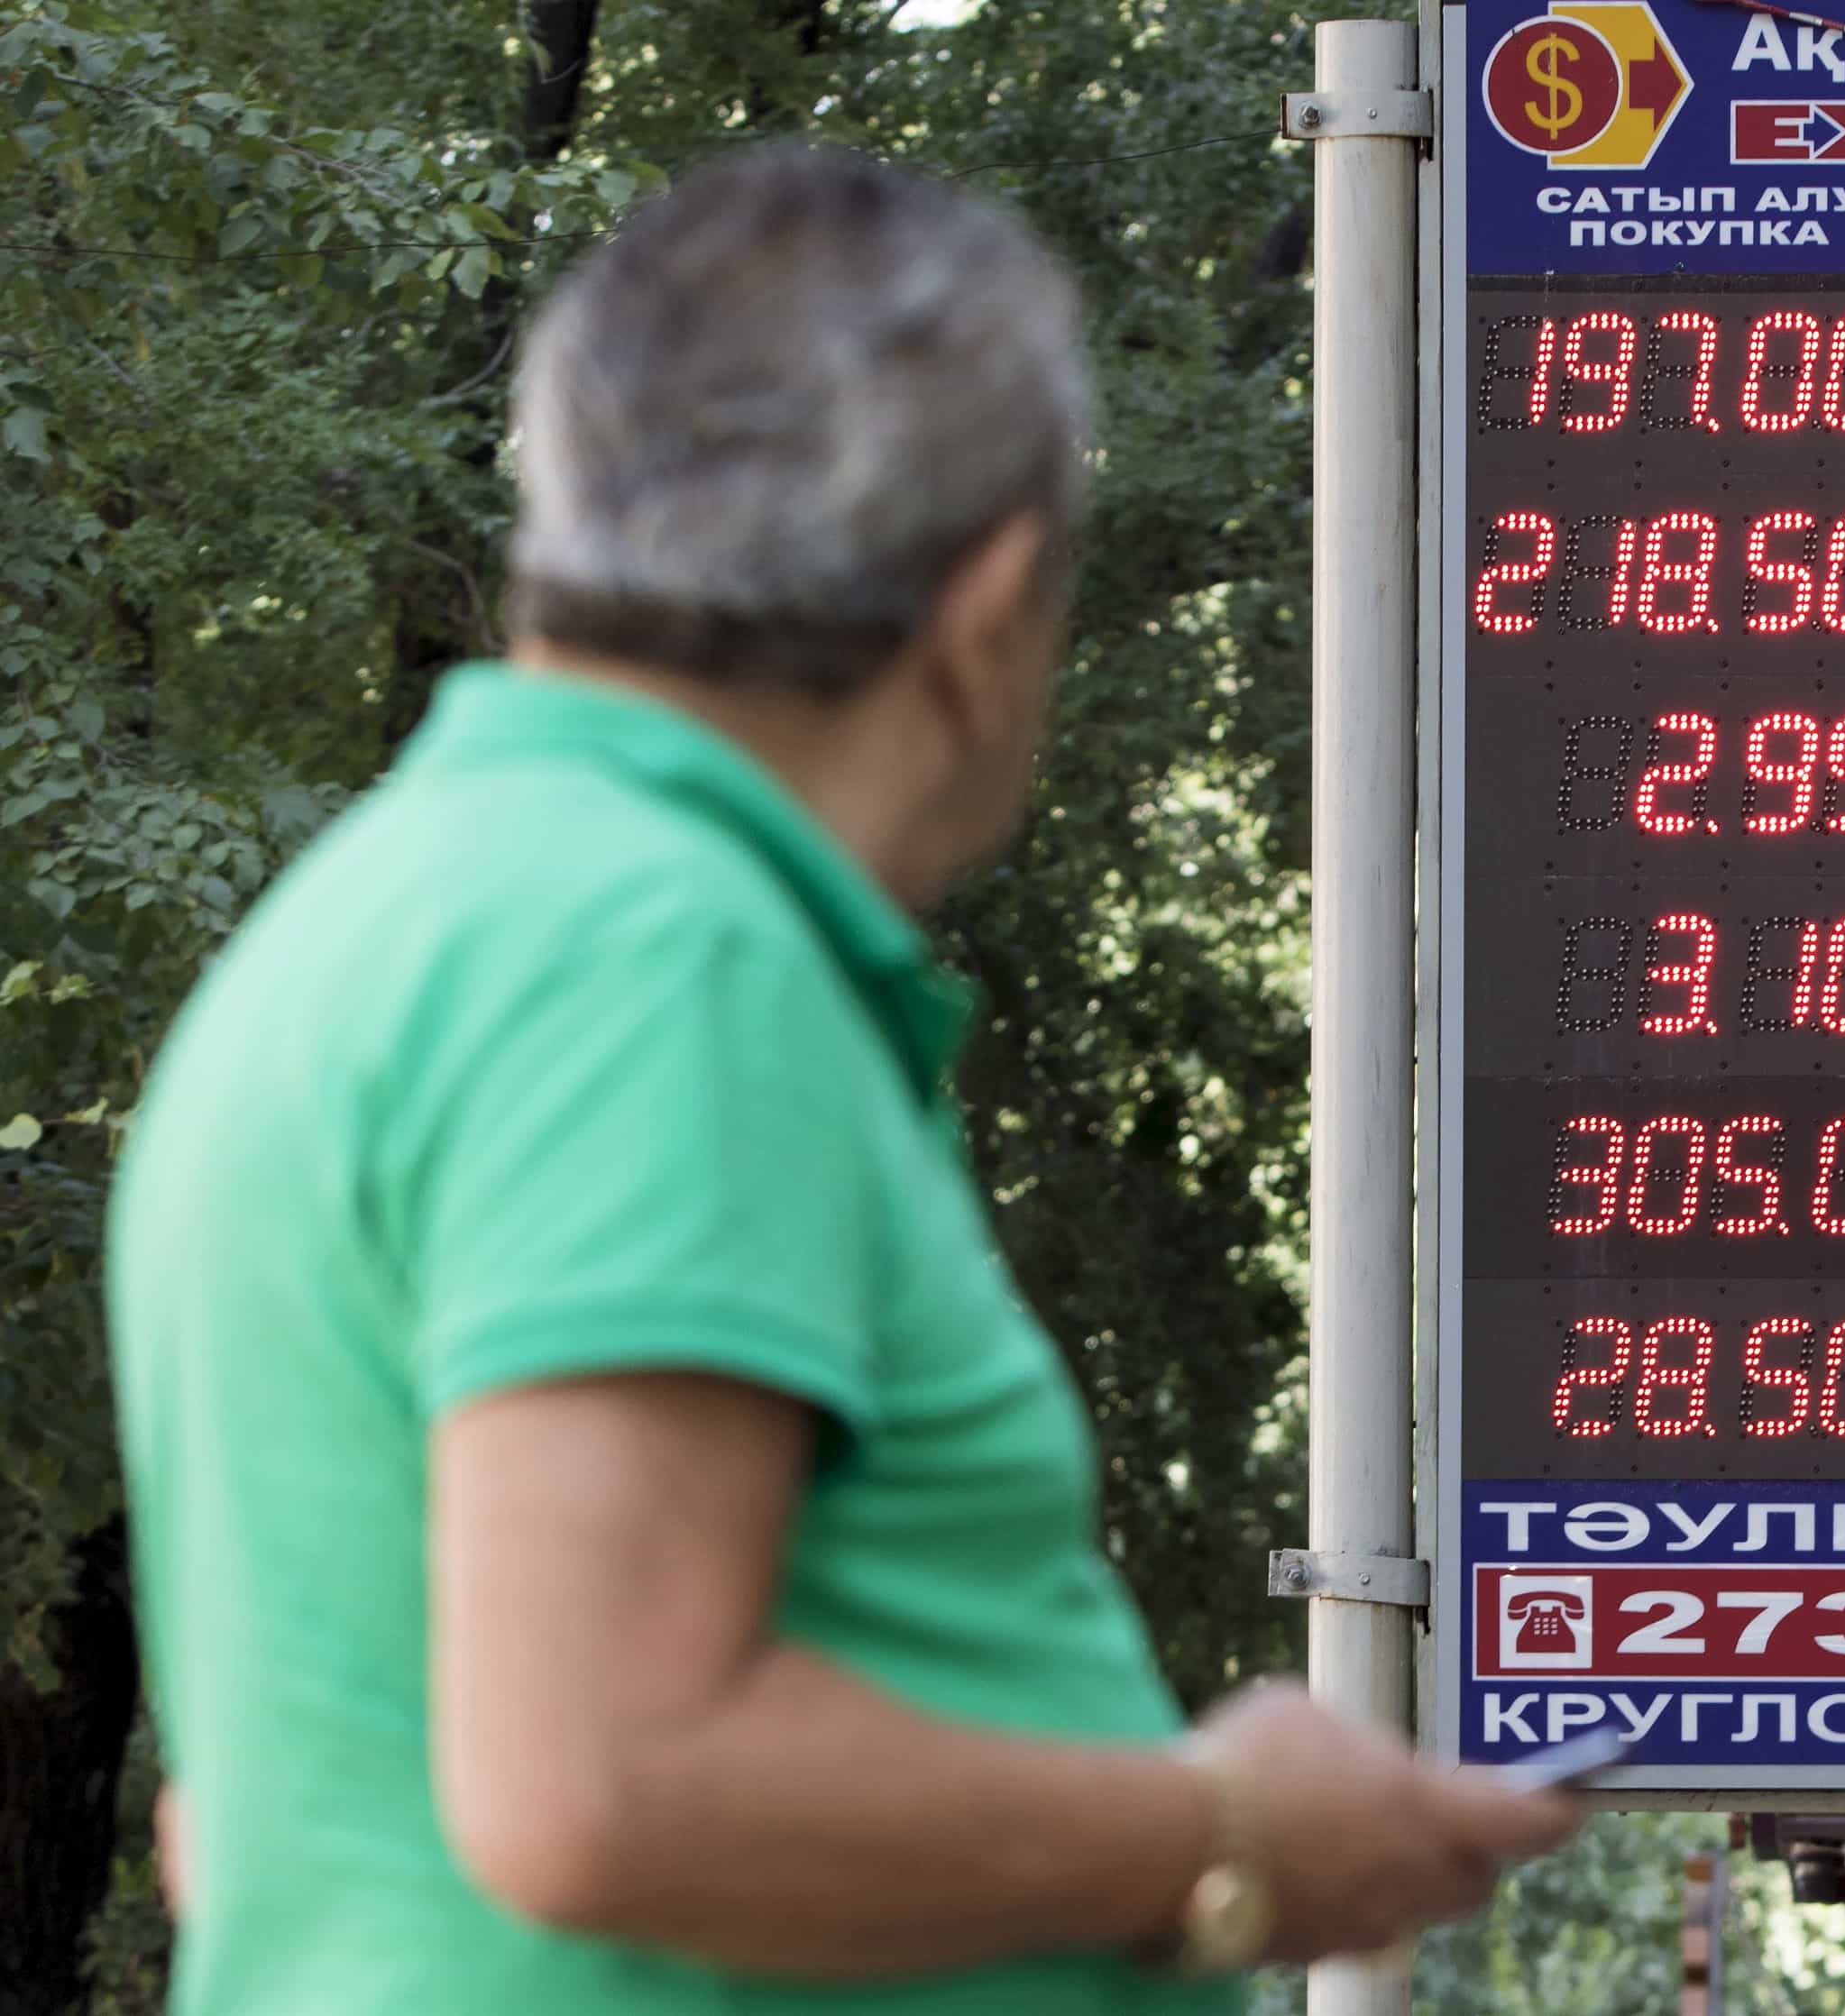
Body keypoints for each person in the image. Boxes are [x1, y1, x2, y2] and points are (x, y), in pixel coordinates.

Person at [106, 145, 1574, 2016]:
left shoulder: (371, 927)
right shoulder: (647, 951)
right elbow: (596, 1780)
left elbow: (247, 1819)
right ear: (989, 614)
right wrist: (1221, 1834)